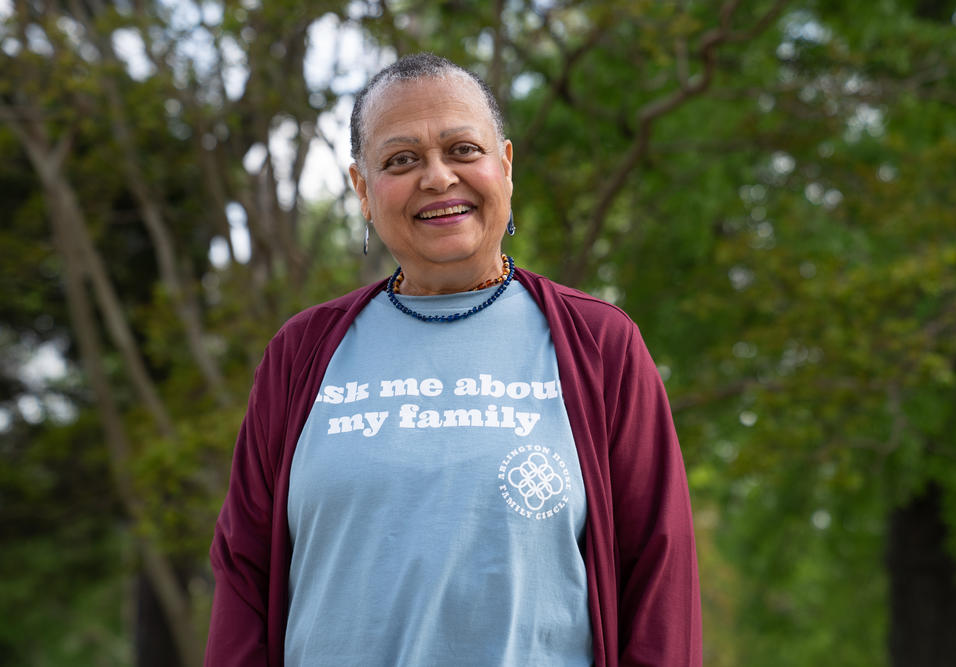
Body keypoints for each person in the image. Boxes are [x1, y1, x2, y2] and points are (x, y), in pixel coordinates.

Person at [205, 52, 701, 666]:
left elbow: (660, 575)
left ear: (506, 166)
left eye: (463, 149)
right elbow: (244, 576)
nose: (437, 178)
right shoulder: (300, 355)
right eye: (401, 160)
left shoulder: (601, 346)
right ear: (363, 189)